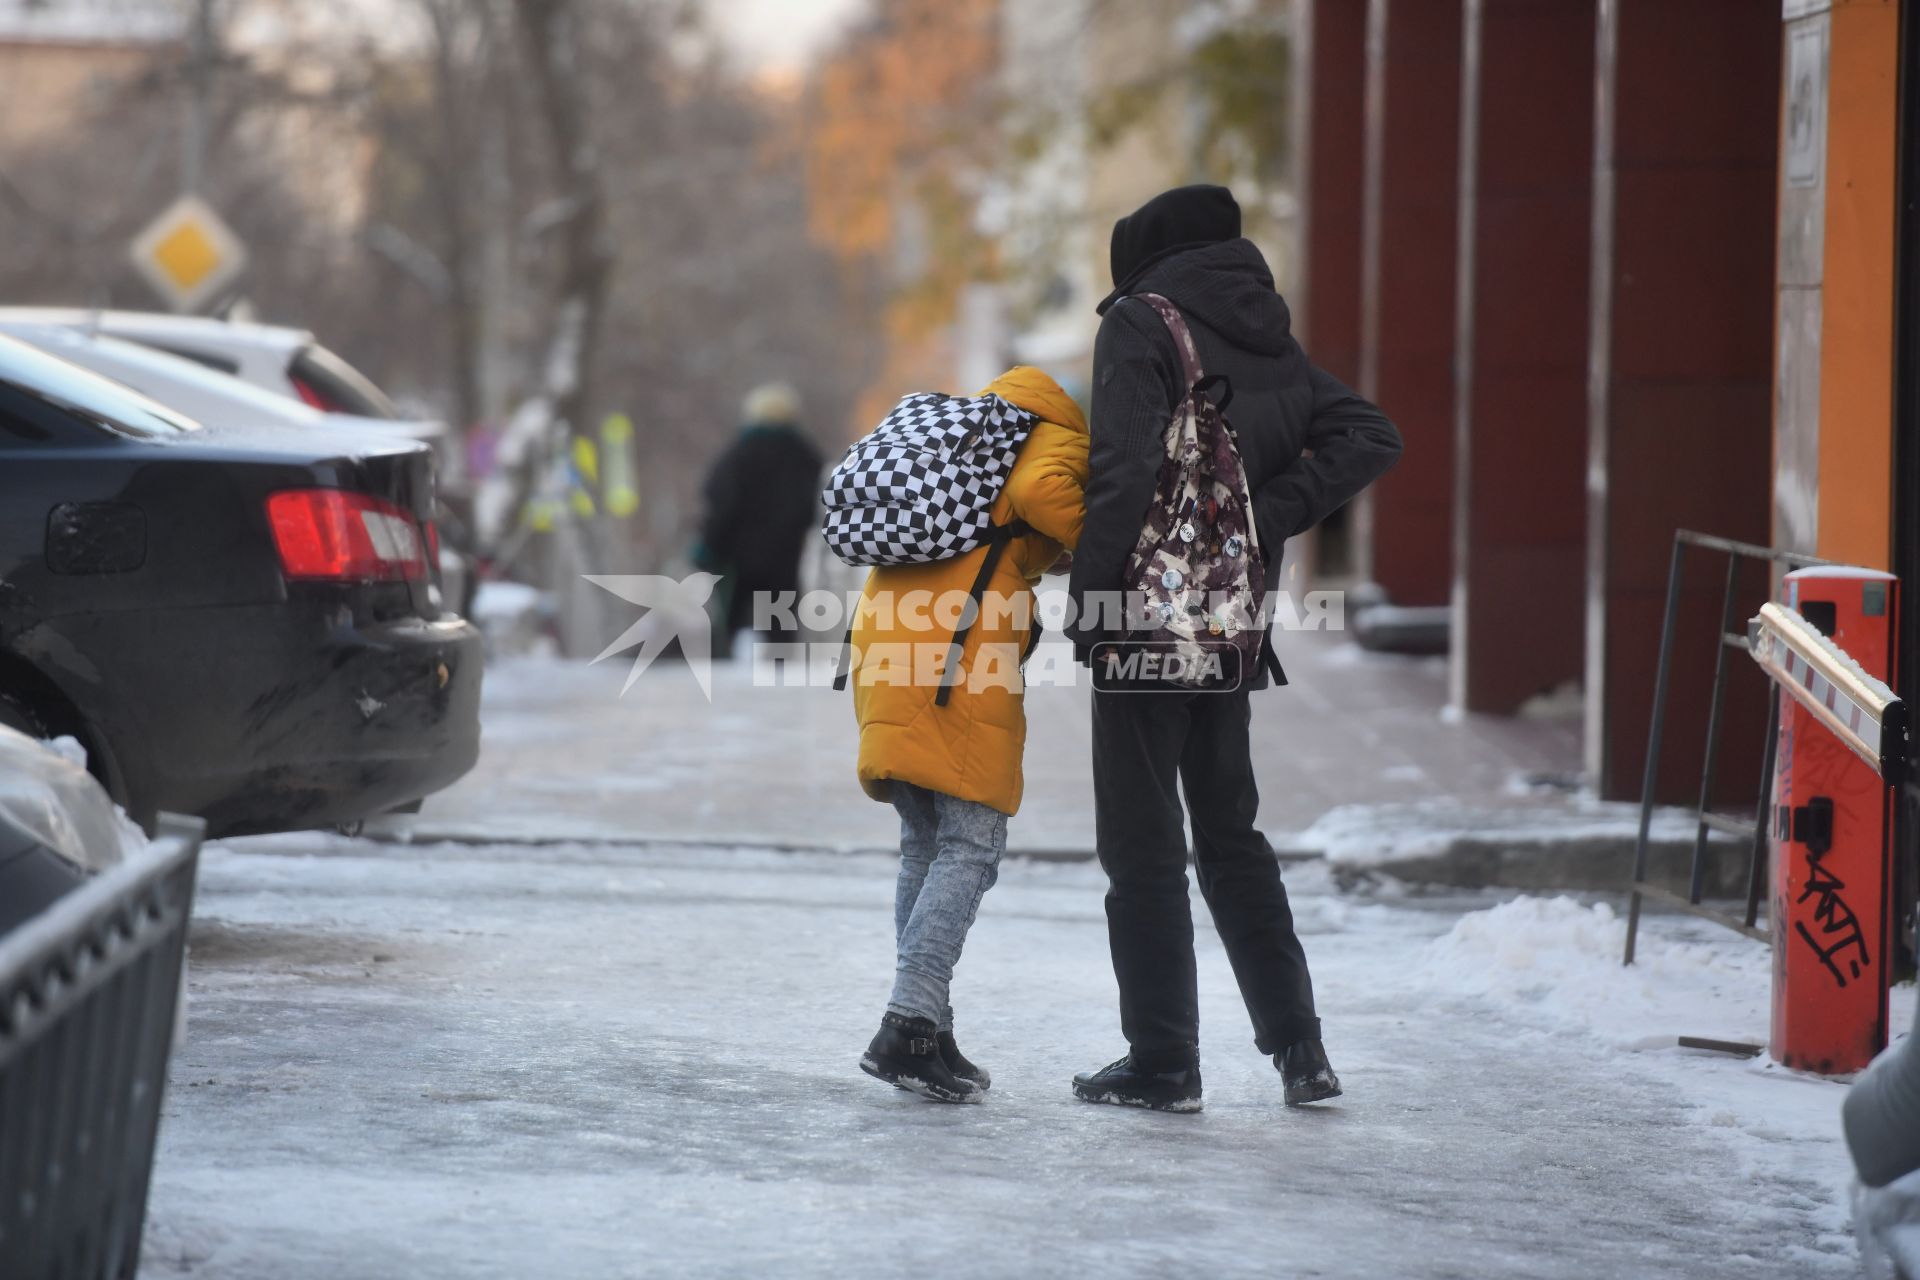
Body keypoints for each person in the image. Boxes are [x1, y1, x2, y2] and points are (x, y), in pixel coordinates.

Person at [1065, 184, 1402, 1113]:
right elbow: (1371, 434)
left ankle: (1164, 1060)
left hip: (1145, 615)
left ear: (1139, 260)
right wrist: (1264, 520)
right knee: (1232, 836)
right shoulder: (1269, 336)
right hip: (1230, 619)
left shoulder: (1141, 323)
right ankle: (1301, 1050)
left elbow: (1123, 469)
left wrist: (1091, 598)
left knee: (1142, 848)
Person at [851, 366, 1088, 1103]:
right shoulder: (1054, 436)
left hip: (891, 639)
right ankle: (907, 1021)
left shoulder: (967, 435)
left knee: (925, 841)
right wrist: (1107, 543)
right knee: (972, 842)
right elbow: (1047, 496)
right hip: (956, 653)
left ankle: (929, 1031)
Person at [693, 383, 825, 653]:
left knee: (729, 627)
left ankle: (725, 674)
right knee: (781, 628)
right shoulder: (805, 456)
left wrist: (708, 546)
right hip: (785, 556)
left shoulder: (738, 454)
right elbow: (819, 503)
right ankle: (782, 681)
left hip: (738, 559)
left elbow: (720, 504)